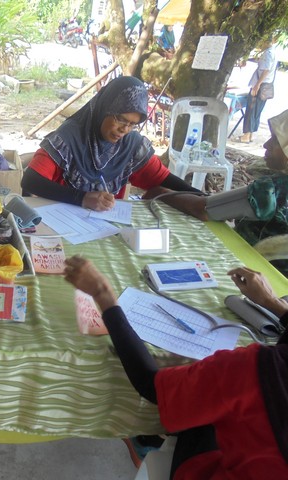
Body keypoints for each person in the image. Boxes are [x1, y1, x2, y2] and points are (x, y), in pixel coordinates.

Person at [64, 255, 288, 478]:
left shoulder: (259, 369)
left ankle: (149, 437)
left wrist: (103, 294)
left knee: (201, 399)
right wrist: (273, 303)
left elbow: (150, 384)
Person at [21, 76, 207, 219]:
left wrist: (204, 198)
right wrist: (82, 197)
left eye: (132, 124)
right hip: (62, 220)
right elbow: (30, 180)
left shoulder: (130, 146)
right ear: (104, 109)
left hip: (102, 224)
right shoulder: (69, 138)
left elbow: (163, 178)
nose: (124, 130)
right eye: (120, 119)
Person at [233, 109, 288, 275]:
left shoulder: (272, 189)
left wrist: (164, 190)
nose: (266, 145)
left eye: (276, 141)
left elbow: (205, 209)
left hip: (251, 274)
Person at [239, 37, 278, 144]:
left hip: (261, 85)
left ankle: (246, 135)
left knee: (251, 109)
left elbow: (266, 70)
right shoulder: (272, 52)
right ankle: (250, 135)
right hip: (265, 85)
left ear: (266, 41)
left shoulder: (268, 53)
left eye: (261, 42)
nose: (259, 44)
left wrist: (257, 85)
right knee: (256, 111)